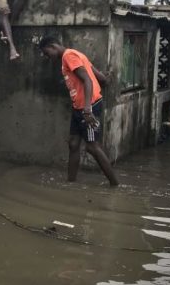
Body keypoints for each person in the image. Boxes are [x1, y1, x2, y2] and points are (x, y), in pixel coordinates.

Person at [38, 36, 119, 186]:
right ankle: (70, 184)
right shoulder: (76, 54)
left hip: (87, 107)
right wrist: (106, 79)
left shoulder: (69, 56)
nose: (48, 57)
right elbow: (99, 77)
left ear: (53, 46)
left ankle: (115, 185)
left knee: (92, 147)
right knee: (74, 143)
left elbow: (87, 80)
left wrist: (88, 109)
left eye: (47, 53)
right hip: (78, 106)